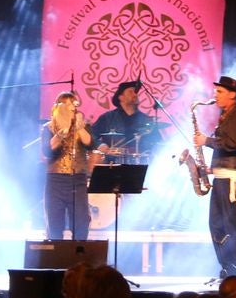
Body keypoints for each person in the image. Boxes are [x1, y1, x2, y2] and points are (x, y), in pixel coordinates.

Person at [193, 75, 236, 280]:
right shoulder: (226, 116)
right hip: (221, 177)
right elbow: (225, 147)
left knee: (233, 225)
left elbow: (233, 144)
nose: (215, 95)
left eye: (220, 92)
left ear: (232, 94)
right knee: (217, 225)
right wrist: (209, 169)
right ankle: (229, 268)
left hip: (231, 179)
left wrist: (206, 140)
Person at [44, 91, 91, 241]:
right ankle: (56, 259)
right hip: (56, 180)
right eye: (67, 104)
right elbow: (47, 151)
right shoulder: (49, 127)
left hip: (77, 180)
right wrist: (61, 133)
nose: (72, 107)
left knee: (81, 223)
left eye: (74, 103)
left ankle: (79, 259)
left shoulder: (83, 125)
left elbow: (90, 143)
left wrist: (79, 127)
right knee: (55, 224)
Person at [91, 80, 158, 156]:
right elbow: (91, 135)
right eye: (130, 92)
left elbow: (157, 143)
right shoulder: (107, 118)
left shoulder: (147, 120)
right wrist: (100, 145)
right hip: (112, 163)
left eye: (136, 92)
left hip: (141, 163)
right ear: (121, 97)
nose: (135, 94)